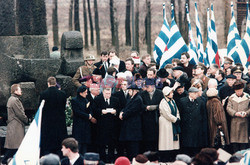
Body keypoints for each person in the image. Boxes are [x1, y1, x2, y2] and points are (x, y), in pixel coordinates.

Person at [40, 77, 68, 157]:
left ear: (48, 83)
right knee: (59, 143)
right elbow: (63, 107)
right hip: (60, 122)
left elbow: (41, 108)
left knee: (48, 143)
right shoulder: (62, 94)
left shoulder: (43, 94)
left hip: (48, 122)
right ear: (55, 83)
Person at [2, 84, 28, 165]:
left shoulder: (12, 99)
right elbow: (20, 113)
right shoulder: (14, 100)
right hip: (16, 126)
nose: (21, 91)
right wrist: (26, 120)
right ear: (15, 91)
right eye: (20, 89)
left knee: (14, 147)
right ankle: (4, 161)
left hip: (14, 125)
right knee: (14, 147)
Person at [179, 87, 208, 157]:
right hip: (186, 127)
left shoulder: (200, 102)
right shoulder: (182, 101)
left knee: (196, 145)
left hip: (197, 127)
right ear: (189, 93)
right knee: (187, 144)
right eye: (194, 93)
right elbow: (181, 113)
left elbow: (204, 115)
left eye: (197, 93)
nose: (196, 94)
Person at [93, 88, 120, 163]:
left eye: (109, 93)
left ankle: (111, 159)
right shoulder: (98, 99)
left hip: (112, 126)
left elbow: (119, 109)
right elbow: (94, 109)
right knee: (102, 144)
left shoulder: (115, 99)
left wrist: (115, 112)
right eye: (106, 93)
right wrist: (101, 111)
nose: (108, 95)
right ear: (103, 93)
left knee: (112, 144)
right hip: (102, 126)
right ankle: (102, 160)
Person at [119, 84, 143, 161]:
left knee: (134, 146)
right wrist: (121, 112)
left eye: (130, 90)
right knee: (129, 145)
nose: (128, 92)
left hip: (134, 126)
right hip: (129, 126)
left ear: (134, 91)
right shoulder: (130, 98)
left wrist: (123, 115)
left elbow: (131, 110)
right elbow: (126, 107)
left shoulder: (138, 99)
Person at [140, 79, 164, 152]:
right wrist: (146, 107)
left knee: (156, 138)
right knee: (147, 139)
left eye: (148, 87)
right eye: (146, 87)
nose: (146, 88)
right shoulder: (143, 94)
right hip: (146, 119)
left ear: (153, 86)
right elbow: (140, 104)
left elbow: (162, 103)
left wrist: (156, 107)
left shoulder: (159, 93)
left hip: (156, 118)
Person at [226, 81, 250, 153]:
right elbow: (228, 108)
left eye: (240, 90)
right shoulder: (231, 97)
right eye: (237, 91)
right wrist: (235, 113)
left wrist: (246, 113)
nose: (238, 92)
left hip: (244, 122)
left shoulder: (248, 97)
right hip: (234, 122)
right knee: (235, 142)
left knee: (243, 142)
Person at [158, 87, 181, 162]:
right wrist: (175, 119)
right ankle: (165, 158)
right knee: (166, 140)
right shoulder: (163, 102)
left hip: (172, 123)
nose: (172, 94)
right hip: (166, 123)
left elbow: (177, 111)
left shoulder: (173, 101)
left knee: (172, 141)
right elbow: (166, 114)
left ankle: (172, 157)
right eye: (171, 93)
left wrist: (177, 117)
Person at [71, 86, 94, 155]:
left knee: (85, 143)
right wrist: (87, 116)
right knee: (79, 142)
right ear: (80, 93)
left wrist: (90, 114)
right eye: (85, 92)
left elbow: (90, 109)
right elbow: (77, 112)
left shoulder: (86, 100)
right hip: (78, 124)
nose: (86, 94)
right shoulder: (74, 100)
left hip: (86, 125)